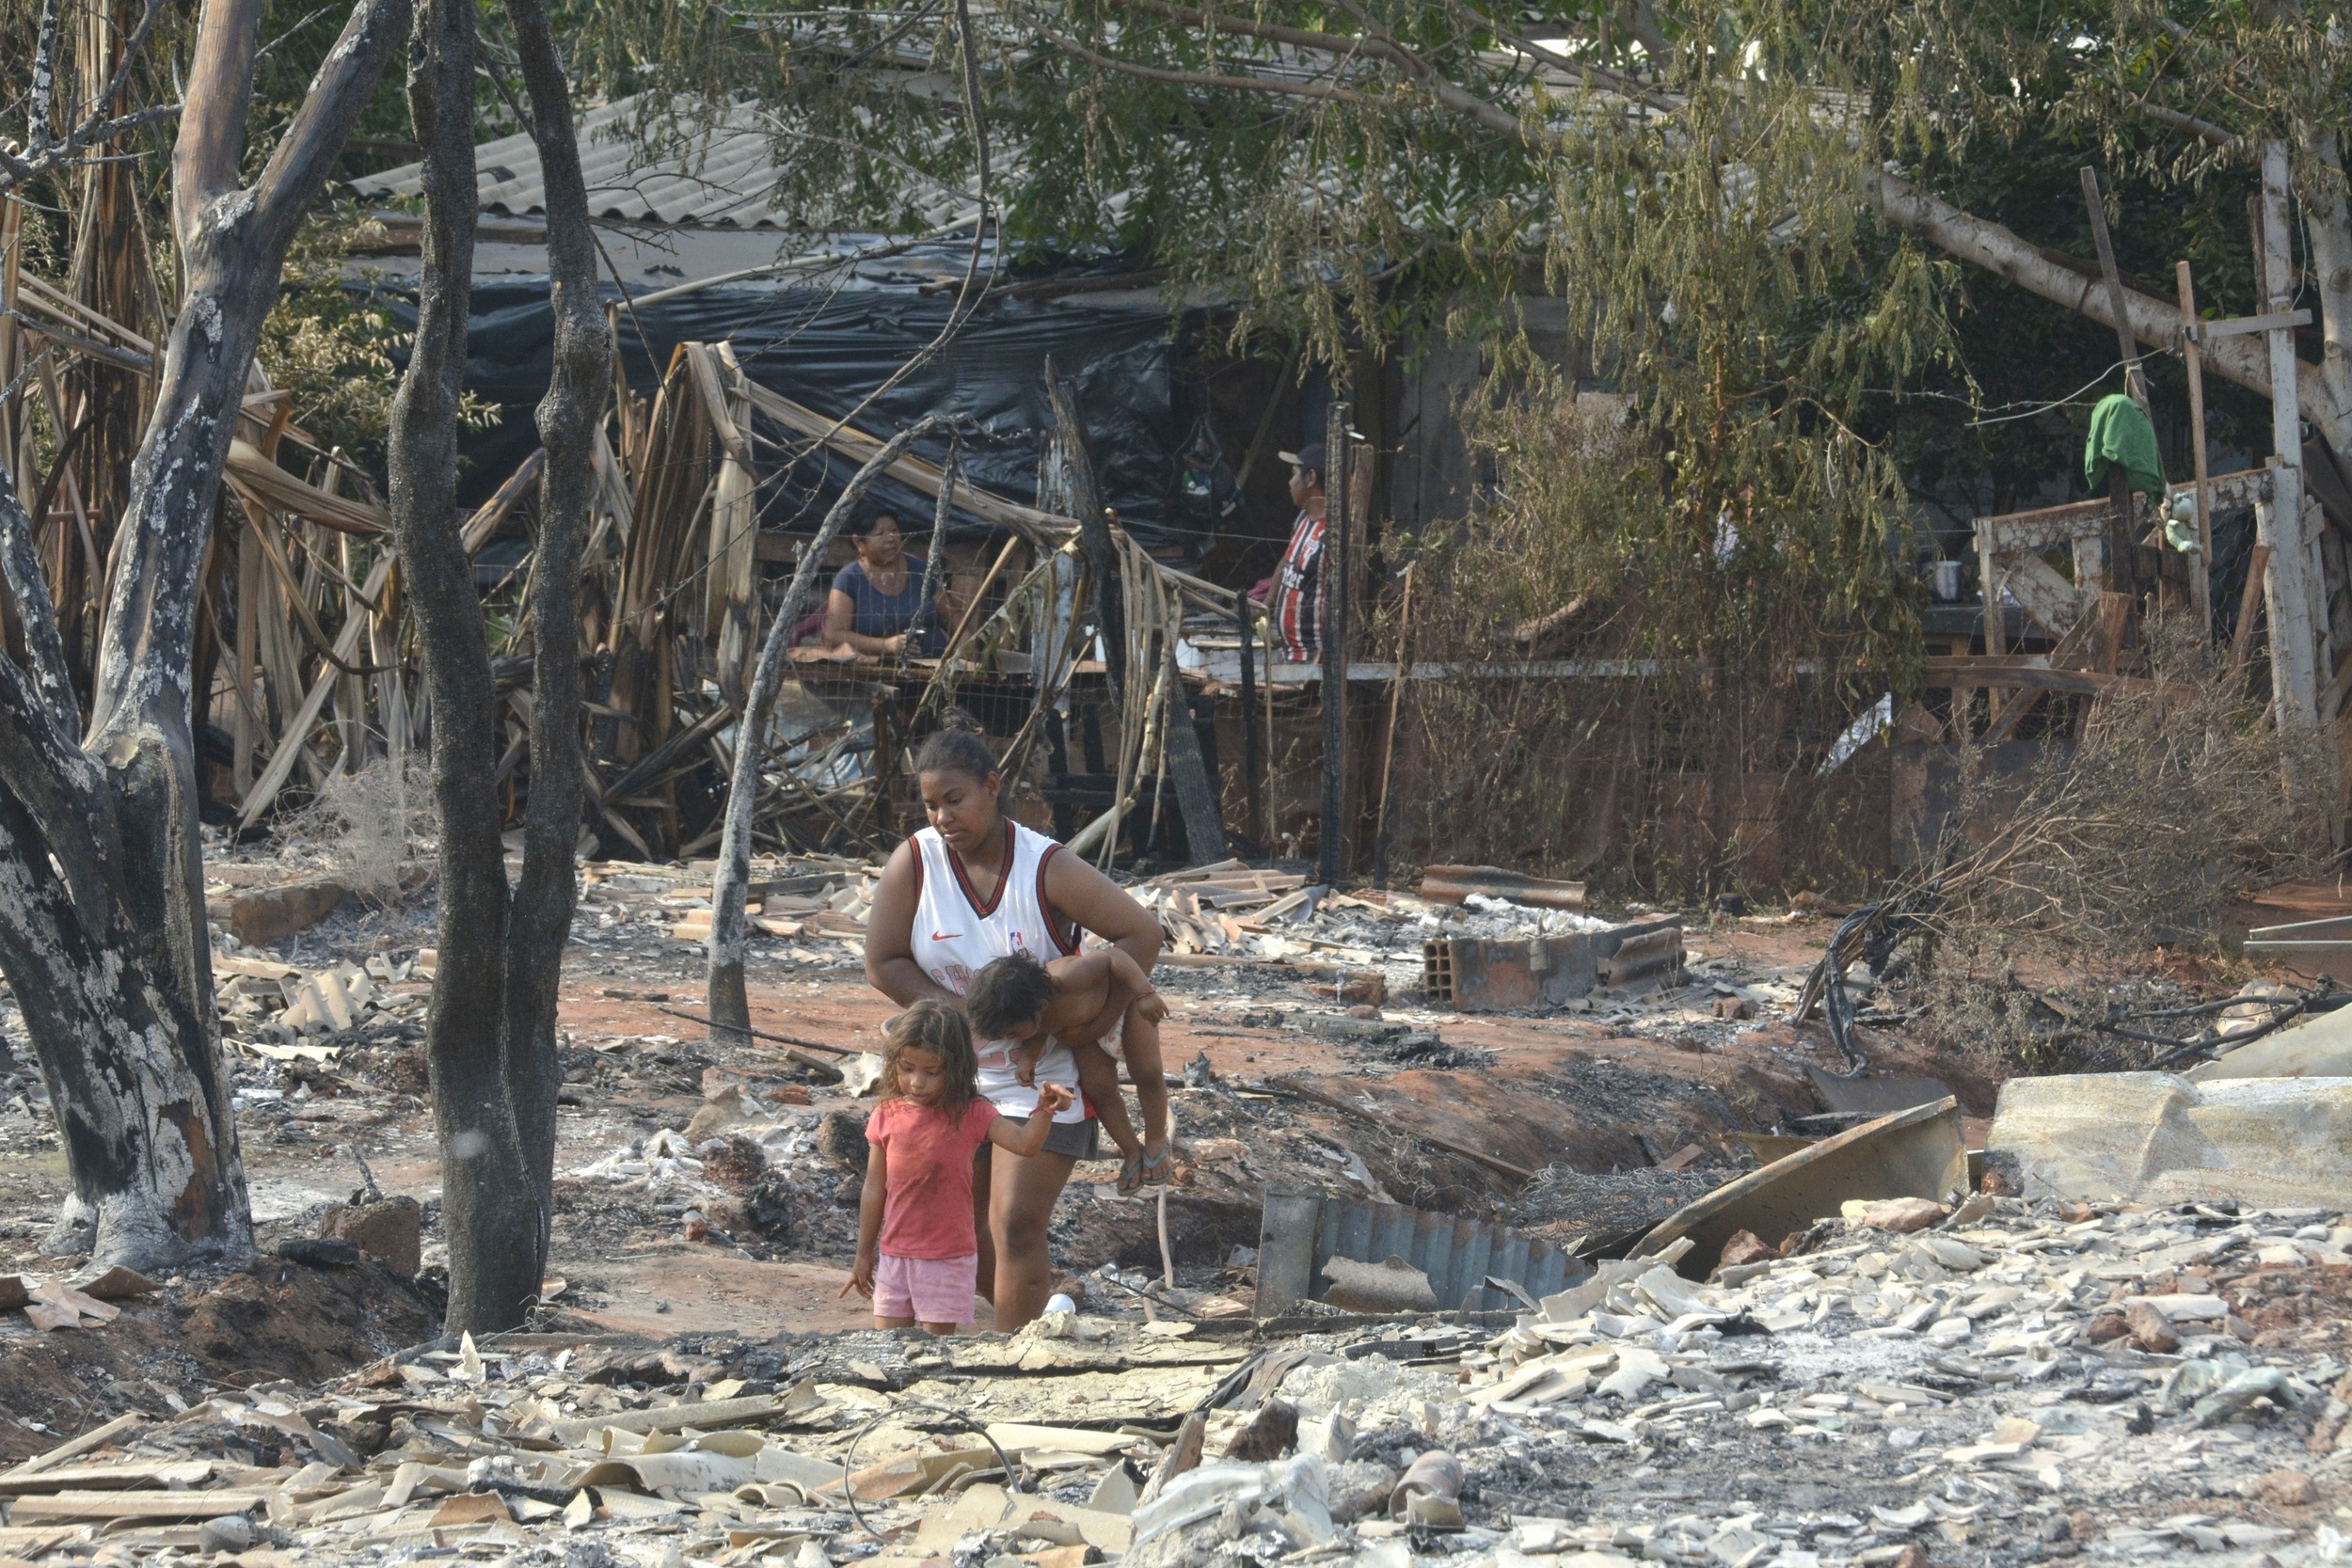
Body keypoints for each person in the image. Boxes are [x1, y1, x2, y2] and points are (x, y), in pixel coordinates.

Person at [863, 728, 1165, 1331]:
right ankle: (1047, 1308)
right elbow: (883, 961)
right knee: (967, 1233)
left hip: (1041, 1075)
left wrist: (1087, 1027)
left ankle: (1015, 1363)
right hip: (956, 1077)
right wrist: (963, 1017)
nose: (942, 816)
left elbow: (1143, 933)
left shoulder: (1044, 866)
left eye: (955, 799)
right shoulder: (915, 862)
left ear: (992, 787)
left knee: (1014, 1223)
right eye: (930, 804)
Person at [843, 999, 1074, 1334]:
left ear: (956, 1067)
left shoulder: (972, 1114)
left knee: (936, 1354)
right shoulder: (887, 1114)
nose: (917, 1083)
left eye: (932, 1072)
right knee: (888, 1349)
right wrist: (863, 1255)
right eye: (907, 1069)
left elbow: (1026, 1145)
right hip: (894, 1256)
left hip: (947, 1260)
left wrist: (1045, 1110)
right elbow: (873, 1188)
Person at [964, 949, 1170, 1196]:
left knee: (1147, 1073)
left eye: (1012, 1034)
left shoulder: (1070, 977)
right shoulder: (1034, 1011)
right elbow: (1037, 1030)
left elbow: (1116, 957)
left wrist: (1144, 992)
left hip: (1127, 1007)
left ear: (1038, 1007)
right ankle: (1132, 1150)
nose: (1011, 1040)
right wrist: (1027, 1059)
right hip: (1085, 1035)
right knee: (1099, 1089)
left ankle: (1156, 1139)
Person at [822, 510, 947, 657]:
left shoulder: (920, 570)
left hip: (932, 666)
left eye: (894, 531)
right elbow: (832, 636)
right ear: (858, 542)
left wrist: (965, 647)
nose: (891, 539)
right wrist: (885, 645)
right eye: (879, 534)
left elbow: (952, 615)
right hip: (876, 672)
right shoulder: (849, 578)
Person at [1266, 444, 1328, 661]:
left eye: (1294, 475)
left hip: (1313, 657)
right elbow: (1286, 562)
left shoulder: (1333, 535)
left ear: (1310, 478)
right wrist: (1267, 604)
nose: (1290, 483)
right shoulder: (1303, 518)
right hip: (1288, 652)